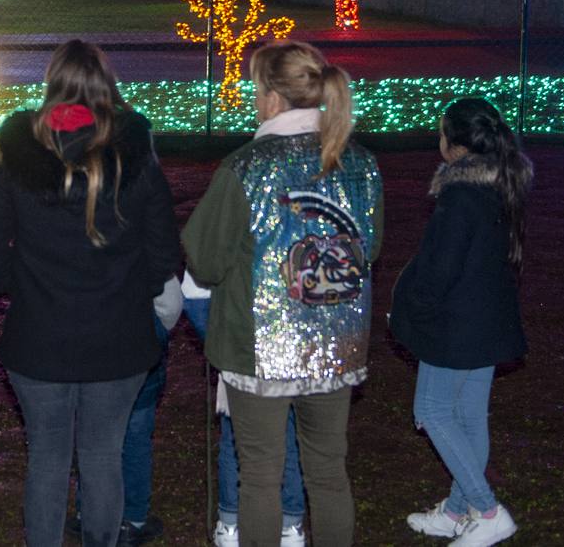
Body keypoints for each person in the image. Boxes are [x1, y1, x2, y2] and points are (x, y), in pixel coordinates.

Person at [0, 39, 182, 547]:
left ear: (52, 87)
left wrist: (27, 287)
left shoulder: (22, 165)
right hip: (117, 339)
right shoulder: (136, 164)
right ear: (106, 89)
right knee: (102, 456)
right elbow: (164, 255)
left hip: (41, 339)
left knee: (49, 456)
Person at [183, 41, 383, 547]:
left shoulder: (246, 167)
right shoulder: (359, 163)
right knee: (328, 473)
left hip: (260, 348)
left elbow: (204, 258)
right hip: (336, 345)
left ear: (271, 97)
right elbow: (371, 248)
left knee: (261, 478)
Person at [390, 98, 531, 547]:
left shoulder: (460, 194)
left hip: (455, 325)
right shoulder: (499, 186)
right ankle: (456, 512)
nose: (438, 140)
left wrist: (413, 311)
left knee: (431, 411)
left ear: (455, 144)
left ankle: (486, 511)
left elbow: (439, 267)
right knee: (468, 416)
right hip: (485, 320)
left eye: (442, 133)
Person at [181, 273, 308, 547]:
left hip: (254, 346)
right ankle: (282, 526)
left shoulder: (222, 228)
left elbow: (193, 295)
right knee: (279, 433)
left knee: (240, 437)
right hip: (276, 346)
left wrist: (223, 347)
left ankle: (237, 524)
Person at [68, 275, 182, 545]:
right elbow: (170, 302)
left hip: (91, 340)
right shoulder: (143, 236)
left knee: (94, 432)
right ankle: (132, 518)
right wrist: (158, 328)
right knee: (136, 432)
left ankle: (91, 513)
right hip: (139, 341)